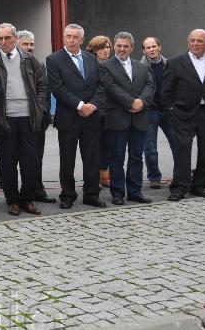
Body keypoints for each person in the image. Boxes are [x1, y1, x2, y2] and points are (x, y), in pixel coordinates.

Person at [0, 24, 49, 216]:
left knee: (30, 161)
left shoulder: (30, 59)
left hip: (29, 118)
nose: (3, 42)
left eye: (7, 38)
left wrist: (40, 108)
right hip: (5, 120)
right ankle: (12, 200)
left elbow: (42, 86)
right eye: (0, 38)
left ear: (15, 38)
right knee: (8, 163)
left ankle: (27, 199)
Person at [162, 29, 205, 202]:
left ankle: (199, 186)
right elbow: (166, 91)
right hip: (183, 114)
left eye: (199, 41)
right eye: (192, 40)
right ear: (188, 42)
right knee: (182, 152)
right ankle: (179, 188)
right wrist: (172, 111)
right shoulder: (175, 63)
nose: (195, 44)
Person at [47, 24, 107, 209]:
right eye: (68, 36)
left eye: (75, 37)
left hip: (91, 117)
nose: (71, 40)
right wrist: (80, 106)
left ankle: (91, 195)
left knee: (92, 158)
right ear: (64, 38)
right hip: (68, 117)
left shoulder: (91, 58)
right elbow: (57, 88)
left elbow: (101, 85)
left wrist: (92, 106)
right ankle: (67, 195)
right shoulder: (54, 59)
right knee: (67, 160)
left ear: (82, 39)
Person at [99, 32, 154, 205]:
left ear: (132, 48)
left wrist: (141, 102)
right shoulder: (105, 66)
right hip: (117, 119)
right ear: (114, 46)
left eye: (126, 46)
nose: (122, 49)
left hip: (139, 118)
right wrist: (131, 102)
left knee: (137, 157)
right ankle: (117, 193)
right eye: (119, 46)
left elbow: (150, 86)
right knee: (117, 158)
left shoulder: (142, 66)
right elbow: (110, 88)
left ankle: (135, 192)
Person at [17, 30, 56, 203]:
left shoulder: (39, 64)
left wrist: (43, 112)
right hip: (17, 118)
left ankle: (37, 189)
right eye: (25, 44)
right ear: (17, 44)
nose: (29, 47)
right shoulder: (10, 64)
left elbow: (45, 89)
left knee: (36, 157)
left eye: (31, 44)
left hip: (37, 120)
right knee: (17, 158)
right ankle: (20, 194)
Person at [141, 36, 173, 189]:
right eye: (148, 47)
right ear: (144, 50)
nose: (151, 49)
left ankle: (181, 175)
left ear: (159, 47)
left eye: (154, 46)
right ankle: (154, 177)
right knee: (150, 148)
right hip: (150, 111)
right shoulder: (140, 67)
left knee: (178, 143)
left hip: (168, 110)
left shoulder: (169, 64)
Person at [86, 35, 115, 188]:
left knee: (107, 145)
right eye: (101, 47)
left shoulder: (113, 65)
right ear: (94, 49)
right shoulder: (89, 65)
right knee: (94, 147)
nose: (105, 50)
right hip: (94, 111)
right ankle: (94, 178)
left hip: (111, 112)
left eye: (108, 47)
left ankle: (104, 175)